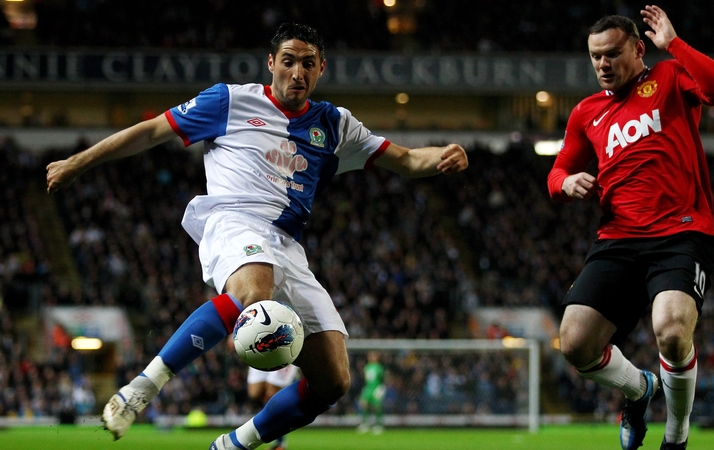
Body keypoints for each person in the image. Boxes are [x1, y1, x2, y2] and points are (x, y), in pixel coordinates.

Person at [46, 22, 468, 450]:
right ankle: (141, 388)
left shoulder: (334, 124)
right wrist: (78, 163)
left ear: (321, 68)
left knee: (334, 380)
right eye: (288, 62)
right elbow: (152, 131)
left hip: (289, 247)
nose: (297, 73)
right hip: (234, 221)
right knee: (254, 290)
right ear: (271, 63)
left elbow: (410, 160)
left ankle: (235, 443)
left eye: (308, 64)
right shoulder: (229, 100)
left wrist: (443, 156)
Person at [546, 6, 714, 450]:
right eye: (595, 57)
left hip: (680, 233)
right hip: (617, 240)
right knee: (574, 343)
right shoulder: (585, 113)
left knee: (671, 330)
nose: (602, 65)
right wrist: (567, 182)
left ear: (637, 48)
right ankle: (639, 389)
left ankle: (676, 435)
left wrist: (675, 44)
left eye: (612, 54)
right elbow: (557, 172)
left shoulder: (671, 77)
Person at [247, 365, 300, 450]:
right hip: (260, 356)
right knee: (255, 393)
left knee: (272, 394)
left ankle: (280, 443)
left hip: (280, 353)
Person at [356, 351, 386, 434]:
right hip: (368, 388)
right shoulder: (367, 367)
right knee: (364, 404)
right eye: (370, 356)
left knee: (376, 406)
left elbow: (383, 379)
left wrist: (381, 389)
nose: (371, 358)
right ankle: (365, 423)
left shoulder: (379, 367)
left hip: (376, 388)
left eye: (373, 356)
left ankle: (379, 425)